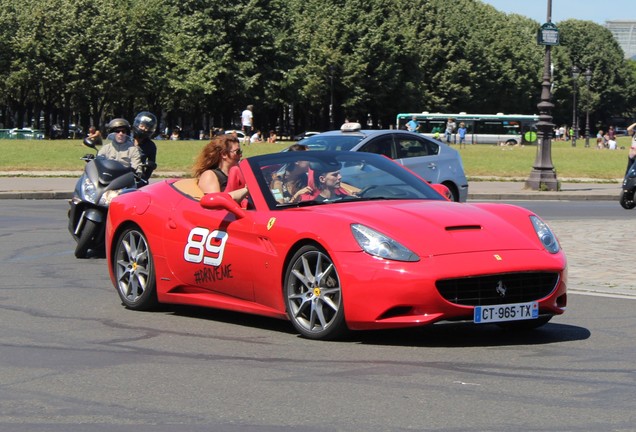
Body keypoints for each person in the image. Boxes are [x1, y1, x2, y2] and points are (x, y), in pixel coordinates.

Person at [192, 134, 248, 202]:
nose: (241, 155)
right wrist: (247, 190)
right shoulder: (209, 175)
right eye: (237, 152)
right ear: (224, 154)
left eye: (241, 152)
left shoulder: (240, 174)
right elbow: (216, 203)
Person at [132, 111, 158, 181]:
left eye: (147, 127)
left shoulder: (150, 146)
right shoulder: (126, 140)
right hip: (121, 174)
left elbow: (151, 165)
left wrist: (144, 179)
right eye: (142, 126)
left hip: (137, 176)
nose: (143, 129)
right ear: (137, 124)